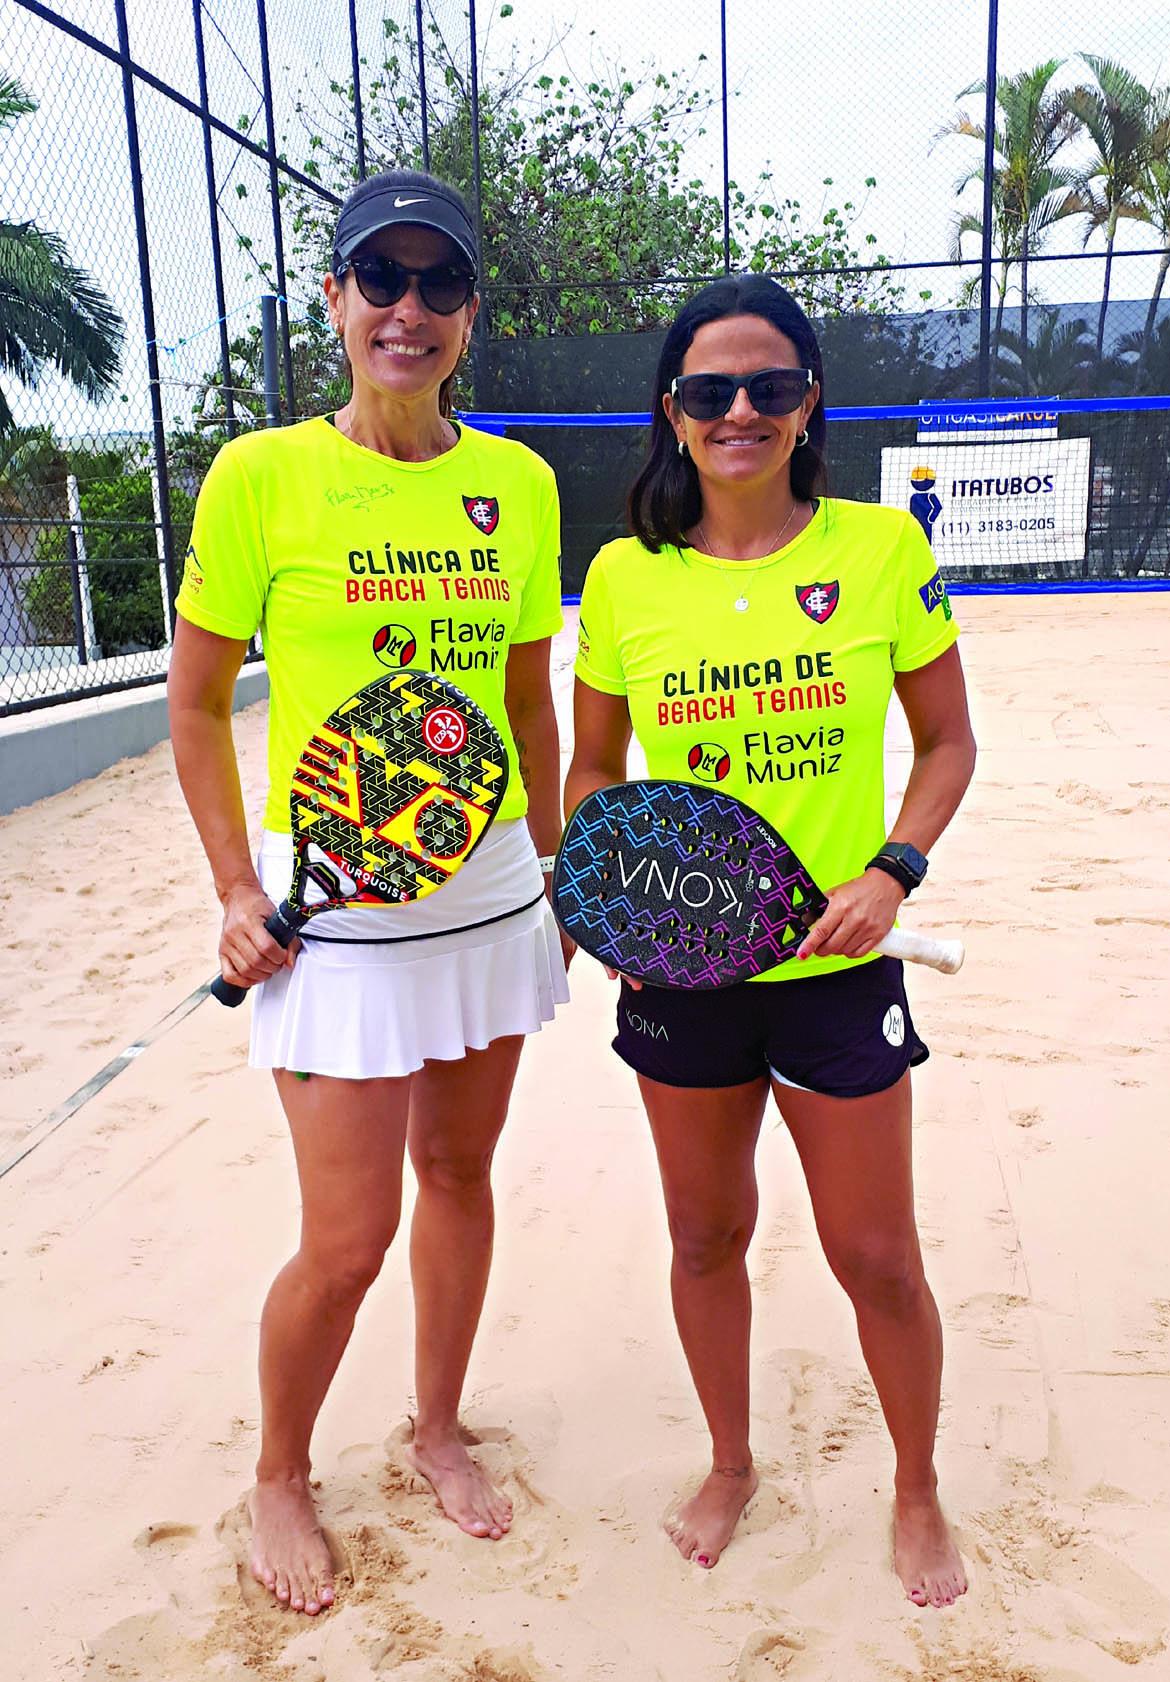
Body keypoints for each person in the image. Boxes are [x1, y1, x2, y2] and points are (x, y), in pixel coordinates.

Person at [168, 168, 571, 1617]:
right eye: (378, 280)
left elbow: (531, 701)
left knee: (460, 1177)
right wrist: (232, 884)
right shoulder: (260, 474)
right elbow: (200, 704)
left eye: (439, 284)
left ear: (470, 313)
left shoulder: (515, 484)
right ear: (334, 298)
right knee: (347, 1238)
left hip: (489, 899)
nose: (408, 309)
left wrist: (555, 875)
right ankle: (281, 1468)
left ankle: (438, 1422)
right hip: (333, 916)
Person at [566, 275, 976, 1610]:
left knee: (875, 1256)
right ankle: (731, 1460)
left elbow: (947, 743)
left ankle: (914, 1487)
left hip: (834, 974)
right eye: (707, 390)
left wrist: (890, 868)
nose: (737, 410)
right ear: (669, 413)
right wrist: (615, 902)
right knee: (702, 1238)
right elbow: (589, 775)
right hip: (686, 977)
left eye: (768, 386)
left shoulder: (875, 553)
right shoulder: (625, 576)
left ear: (809, 403)